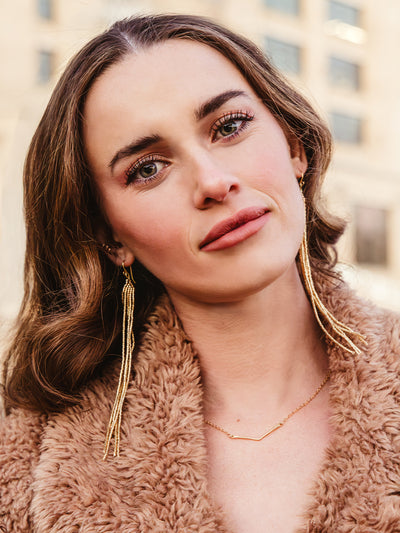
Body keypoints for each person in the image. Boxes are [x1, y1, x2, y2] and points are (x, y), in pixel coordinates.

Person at [0, 13, 399, 533]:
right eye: (147, 168)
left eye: (229, 126)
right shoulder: (27, 453)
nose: (213, 181)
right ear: (109, 236)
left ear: (294, 146)